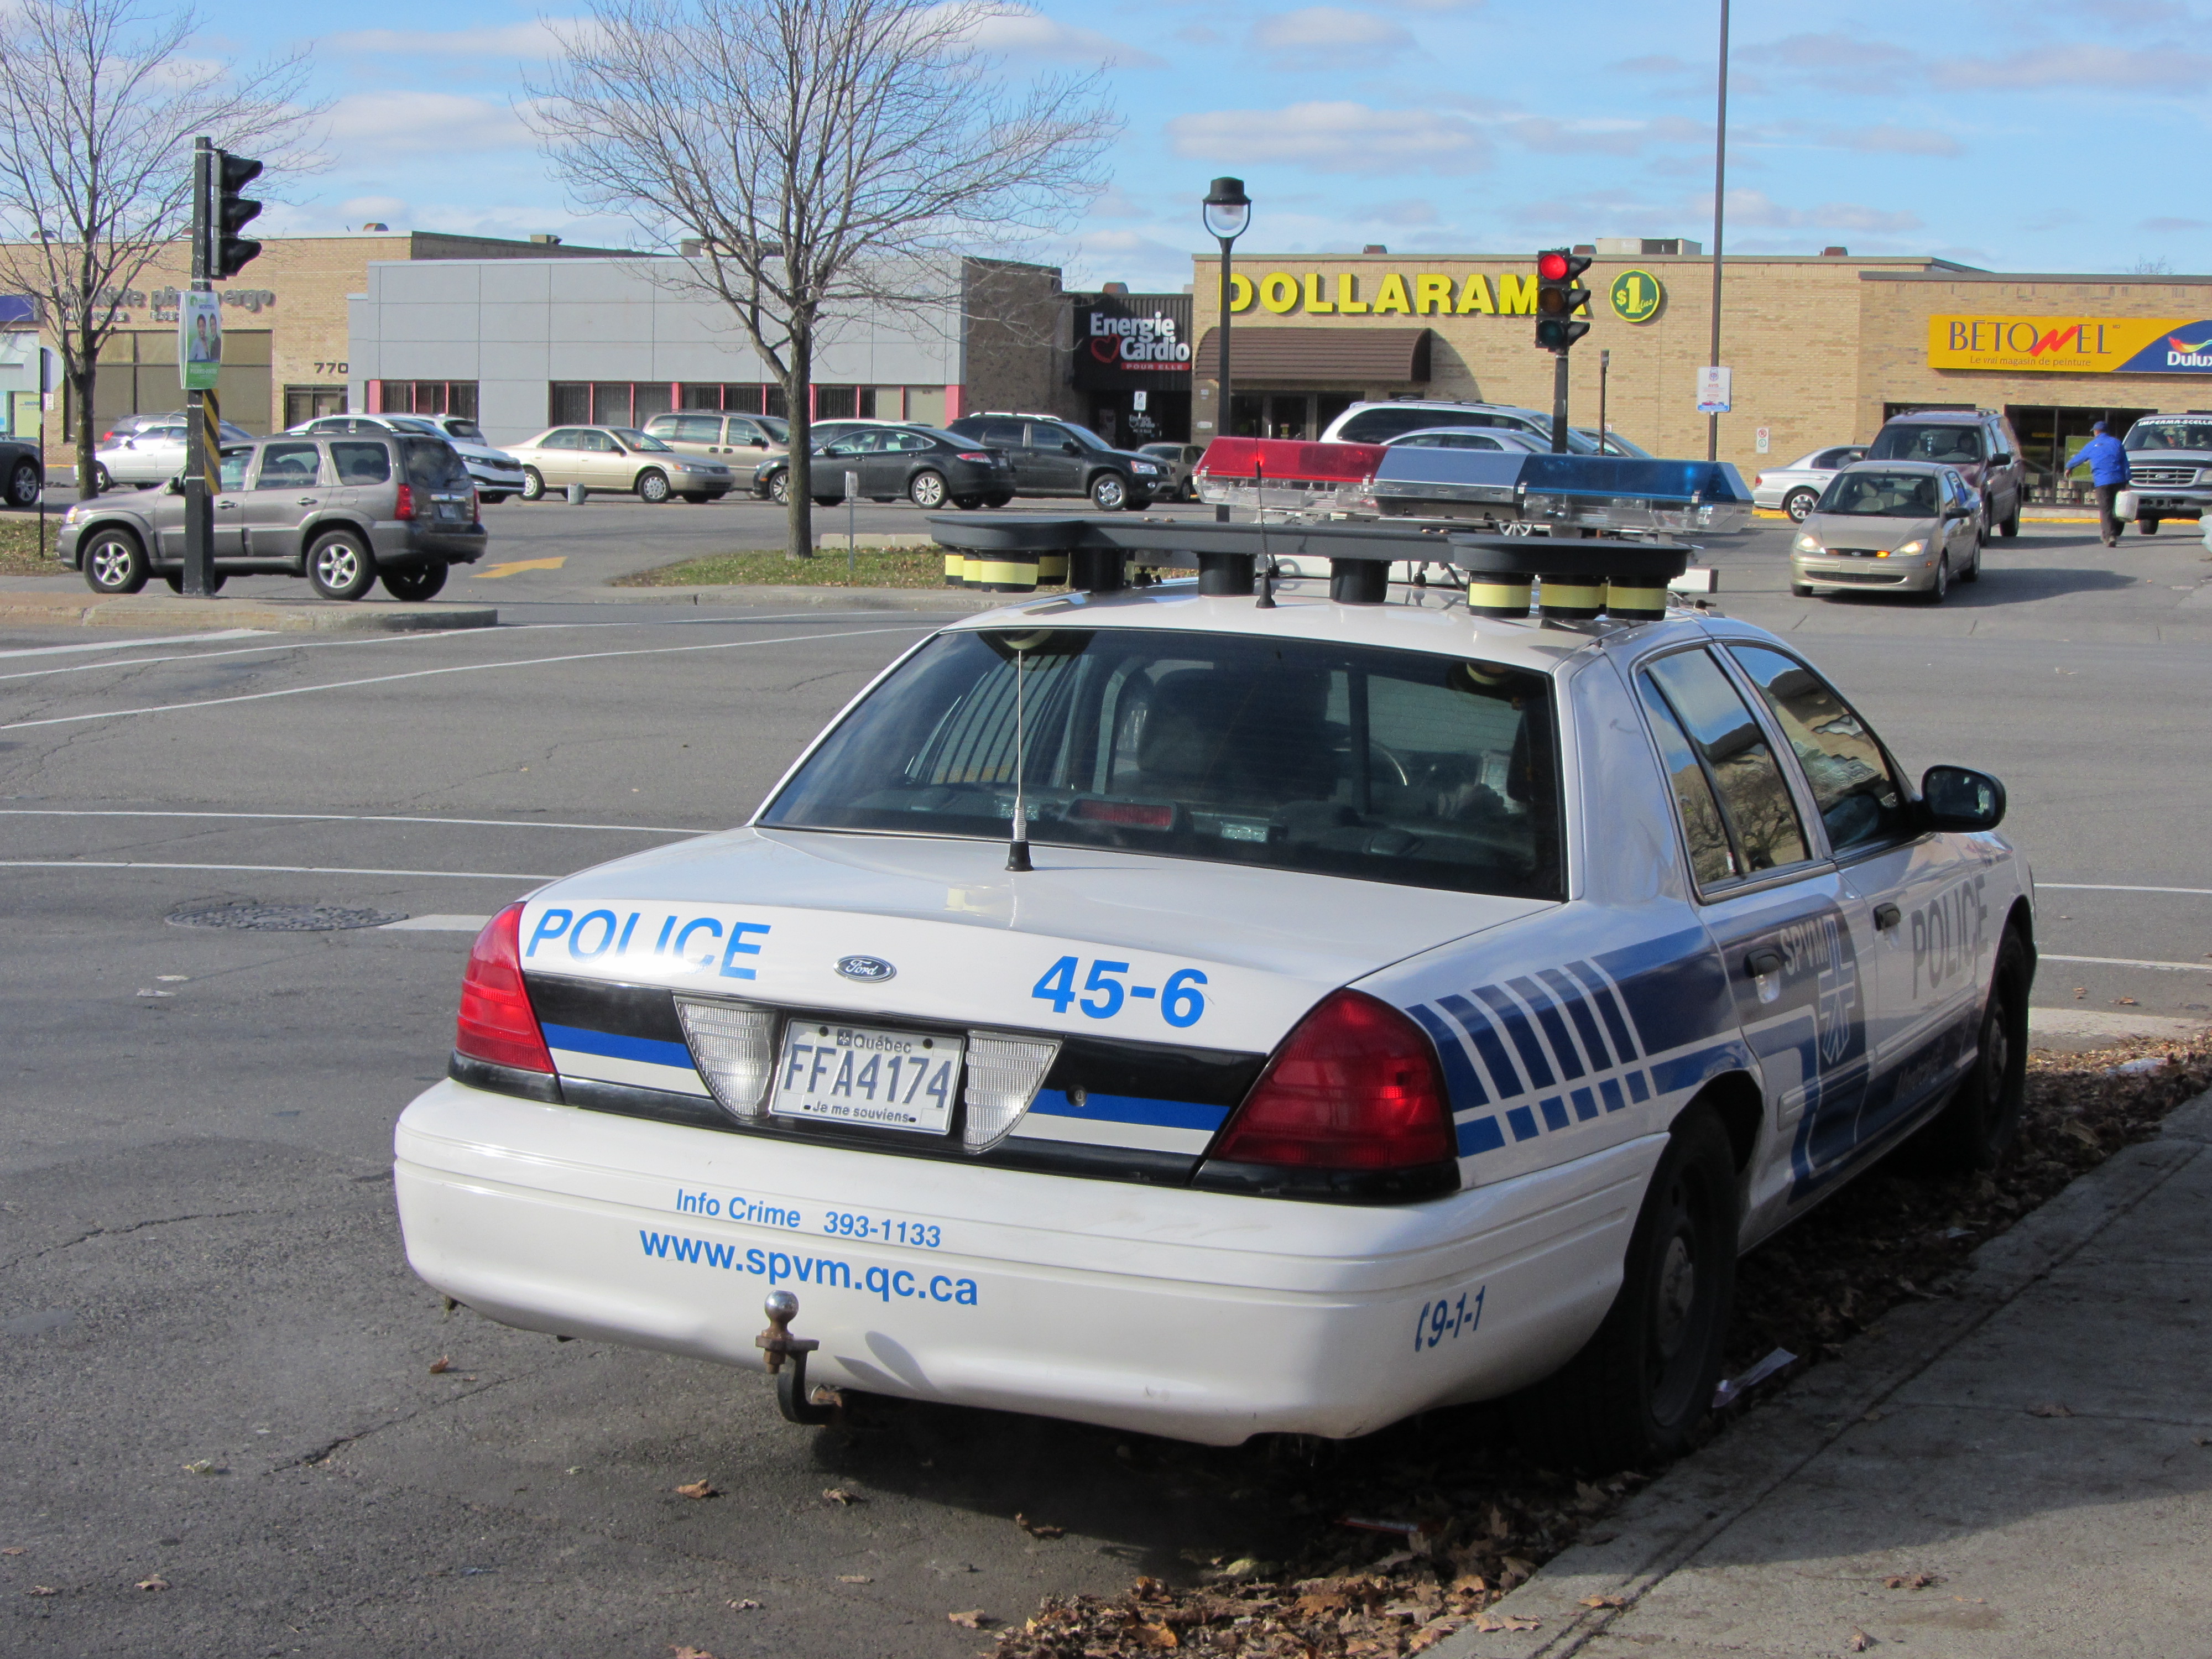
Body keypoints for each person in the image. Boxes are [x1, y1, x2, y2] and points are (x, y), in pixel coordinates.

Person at [2059, 420, 2131, 547]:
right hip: (2118, 479)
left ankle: (2110, 536)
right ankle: (2116, 531)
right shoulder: (2117, 443)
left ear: (2096, 432)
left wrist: (2069, 466)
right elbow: (2125, 463)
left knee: (2106, 509)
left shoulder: (2092, 445)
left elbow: (2080, 458)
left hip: (2102, 481)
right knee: (2118, 508)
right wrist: (2128, 480)